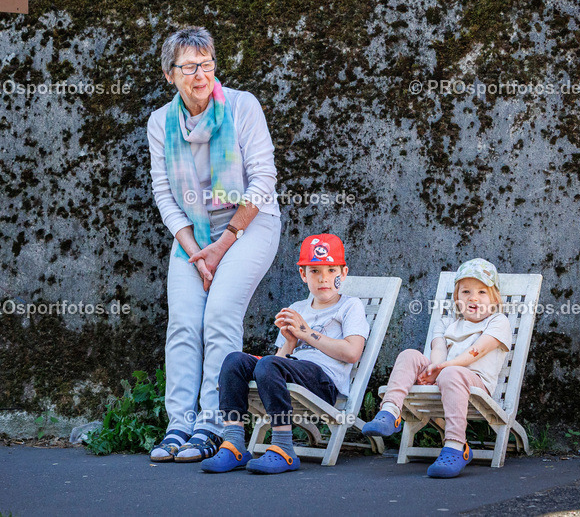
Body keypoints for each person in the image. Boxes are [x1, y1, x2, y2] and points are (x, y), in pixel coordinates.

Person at [146, 26, 281, 462]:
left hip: (249, 223)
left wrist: (222, 247)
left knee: (220, 313)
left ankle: (213, 423)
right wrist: (193, 250)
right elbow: (165, 195)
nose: (200, 74)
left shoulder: (243, 107)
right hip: (192, 232)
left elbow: (263, 182)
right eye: (189, 66)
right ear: (170, 75)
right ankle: (179, 423)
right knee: (184, 322)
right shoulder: (160, 124)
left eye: (206, 64)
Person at [200, 234, 369, 474]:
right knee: (234, 361)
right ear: (303, 275)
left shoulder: (350, 306)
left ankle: (283, 447)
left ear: (343, 272)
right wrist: (290, 342)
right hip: (291, 370)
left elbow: (352, 353)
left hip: (324, 381)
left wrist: (307, 333)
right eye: (315, 271)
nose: (324, 279)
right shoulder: (297, 309)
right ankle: (234, 443)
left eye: (332, 271)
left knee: (269, 365)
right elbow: (277, 361)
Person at [363, 258, 513, 478]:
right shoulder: (446, 323)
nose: (473, 298)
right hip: (444, 374)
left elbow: (477, 351)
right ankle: (390, 412)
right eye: (466, 292)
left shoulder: (498, 321)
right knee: (410, 355)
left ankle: (455, 445)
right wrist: (434, 367)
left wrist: (443, 367)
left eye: (482, 292)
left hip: (475, 383)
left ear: (494, 298)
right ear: (457, 298)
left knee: (452, 373)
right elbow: (438, 349)